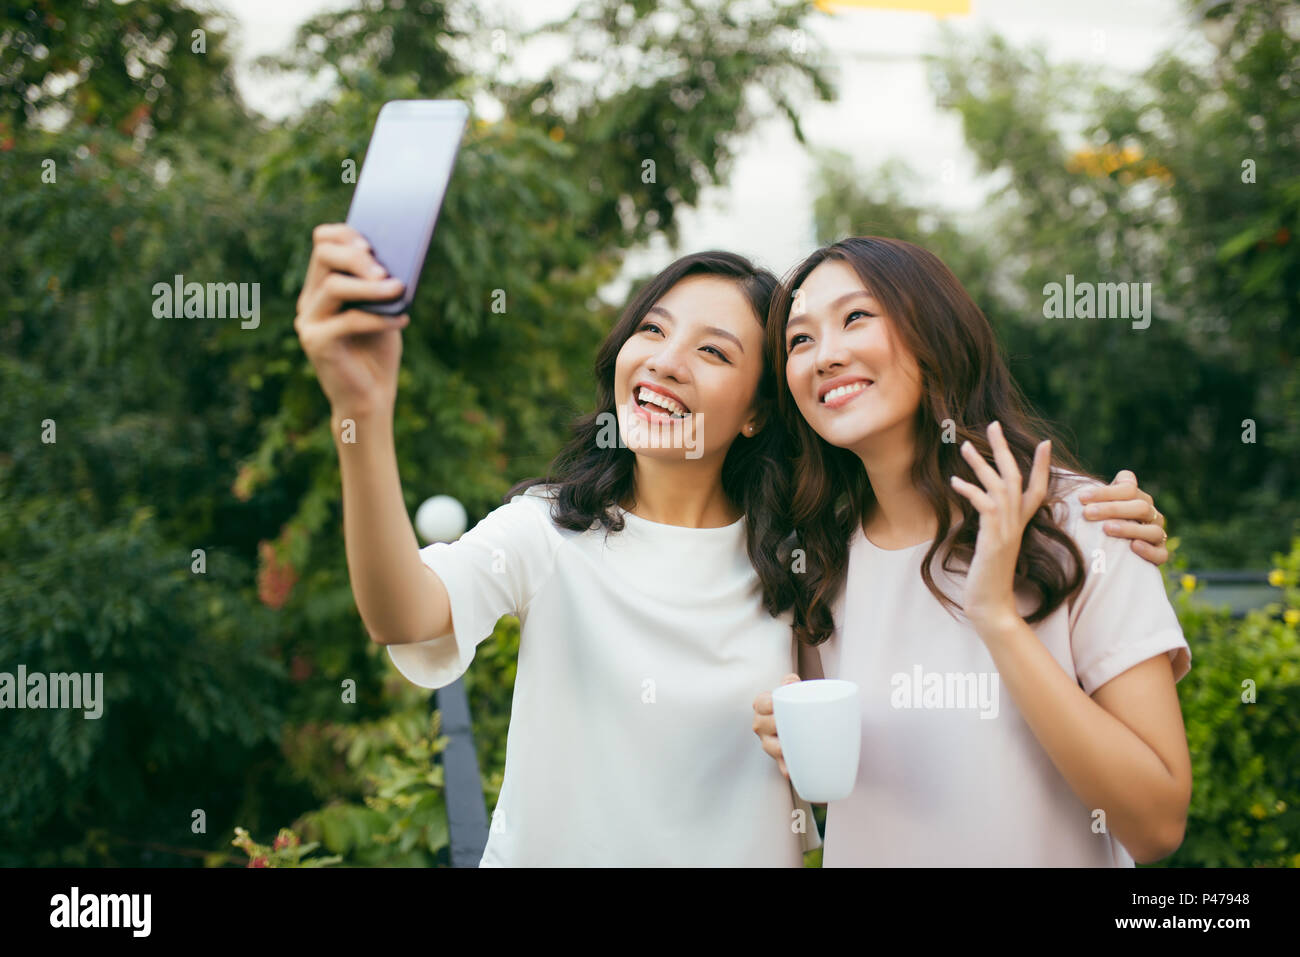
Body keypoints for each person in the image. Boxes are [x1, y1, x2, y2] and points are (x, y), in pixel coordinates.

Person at [295, 223, 1168, 865]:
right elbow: (402, 610)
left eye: (714, 350)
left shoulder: (800, 556)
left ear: (757, 412)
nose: (666, 361)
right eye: (651, 330)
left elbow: (1149, 814)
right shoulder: (557, 529)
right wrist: (361, 419)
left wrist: (1093, 523)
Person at [752, 236, 1190, 867]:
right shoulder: (818, 562)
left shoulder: (1082, 523)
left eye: (856, 317)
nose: (826, 356)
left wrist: (998, 620)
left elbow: (1155, 823)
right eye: (800, 340)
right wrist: (787, 739)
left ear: (934, 333)